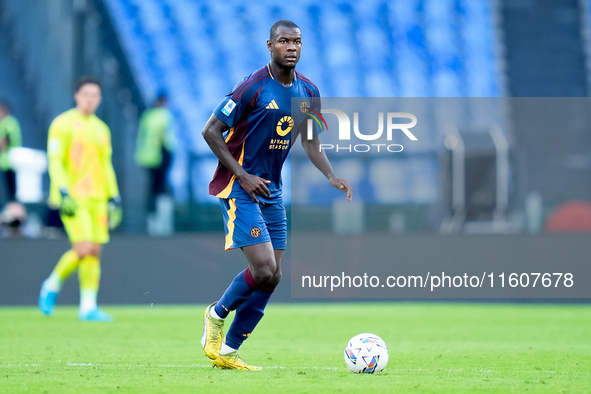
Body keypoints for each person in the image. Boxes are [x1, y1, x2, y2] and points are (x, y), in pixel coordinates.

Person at [200, 20, 352, 370]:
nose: (291, 47)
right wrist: (242, 174)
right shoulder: (252, 88)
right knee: (264, 266)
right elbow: (210, 131)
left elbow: (311, 141)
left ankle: (228, 353)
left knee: (273, 275)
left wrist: (331, 175)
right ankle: (215, 314)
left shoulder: (309, 91)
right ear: (270, 45)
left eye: (297, 41)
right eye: (284, 41)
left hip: (271, 190)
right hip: (239, 186)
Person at [38, 77, 122, 322]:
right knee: (83, 248)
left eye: (95, 95)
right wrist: (62, 190)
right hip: (73, 197)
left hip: (98, 197)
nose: (90, 99)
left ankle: (88, 306)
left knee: (94, 251)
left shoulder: (101, 129)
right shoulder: (62, 124)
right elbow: (55, 160)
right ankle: (52, 284)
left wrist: (113, 194)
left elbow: (106, 165)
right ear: (76, 95)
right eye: (86, 94)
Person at [134, 92, 176, 235]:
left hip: (147, 157)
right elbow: (166, 138)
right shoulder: (164, 115)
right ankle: (162, 224)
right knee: (161, 188)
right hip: (161, 154)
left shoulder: (147, 115)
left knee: (152, 188)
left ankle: (151, 222)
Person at [0, 101, 22, 203]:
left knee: (10, 192)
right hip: (6, 163)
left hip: (9, 162)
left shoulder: (9, 122)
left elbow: (6, 141)